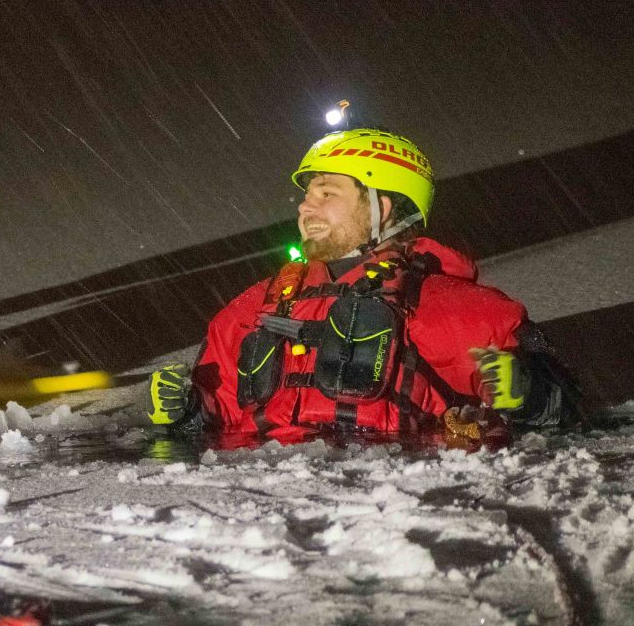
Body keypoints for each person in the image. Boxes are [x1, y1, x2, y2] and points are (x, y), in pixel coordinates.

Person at [140, 125, 577, 443]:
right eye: (307, 195)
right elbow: (219, 414)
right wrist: (185, 411)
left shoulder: (449, 307)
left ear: (380, 209)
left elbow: (564, 411)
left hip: (380, 511)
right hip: (263, 511)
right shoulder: (253, 309)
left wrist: (531, 395)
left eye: (326, 193)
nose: (304, 208)